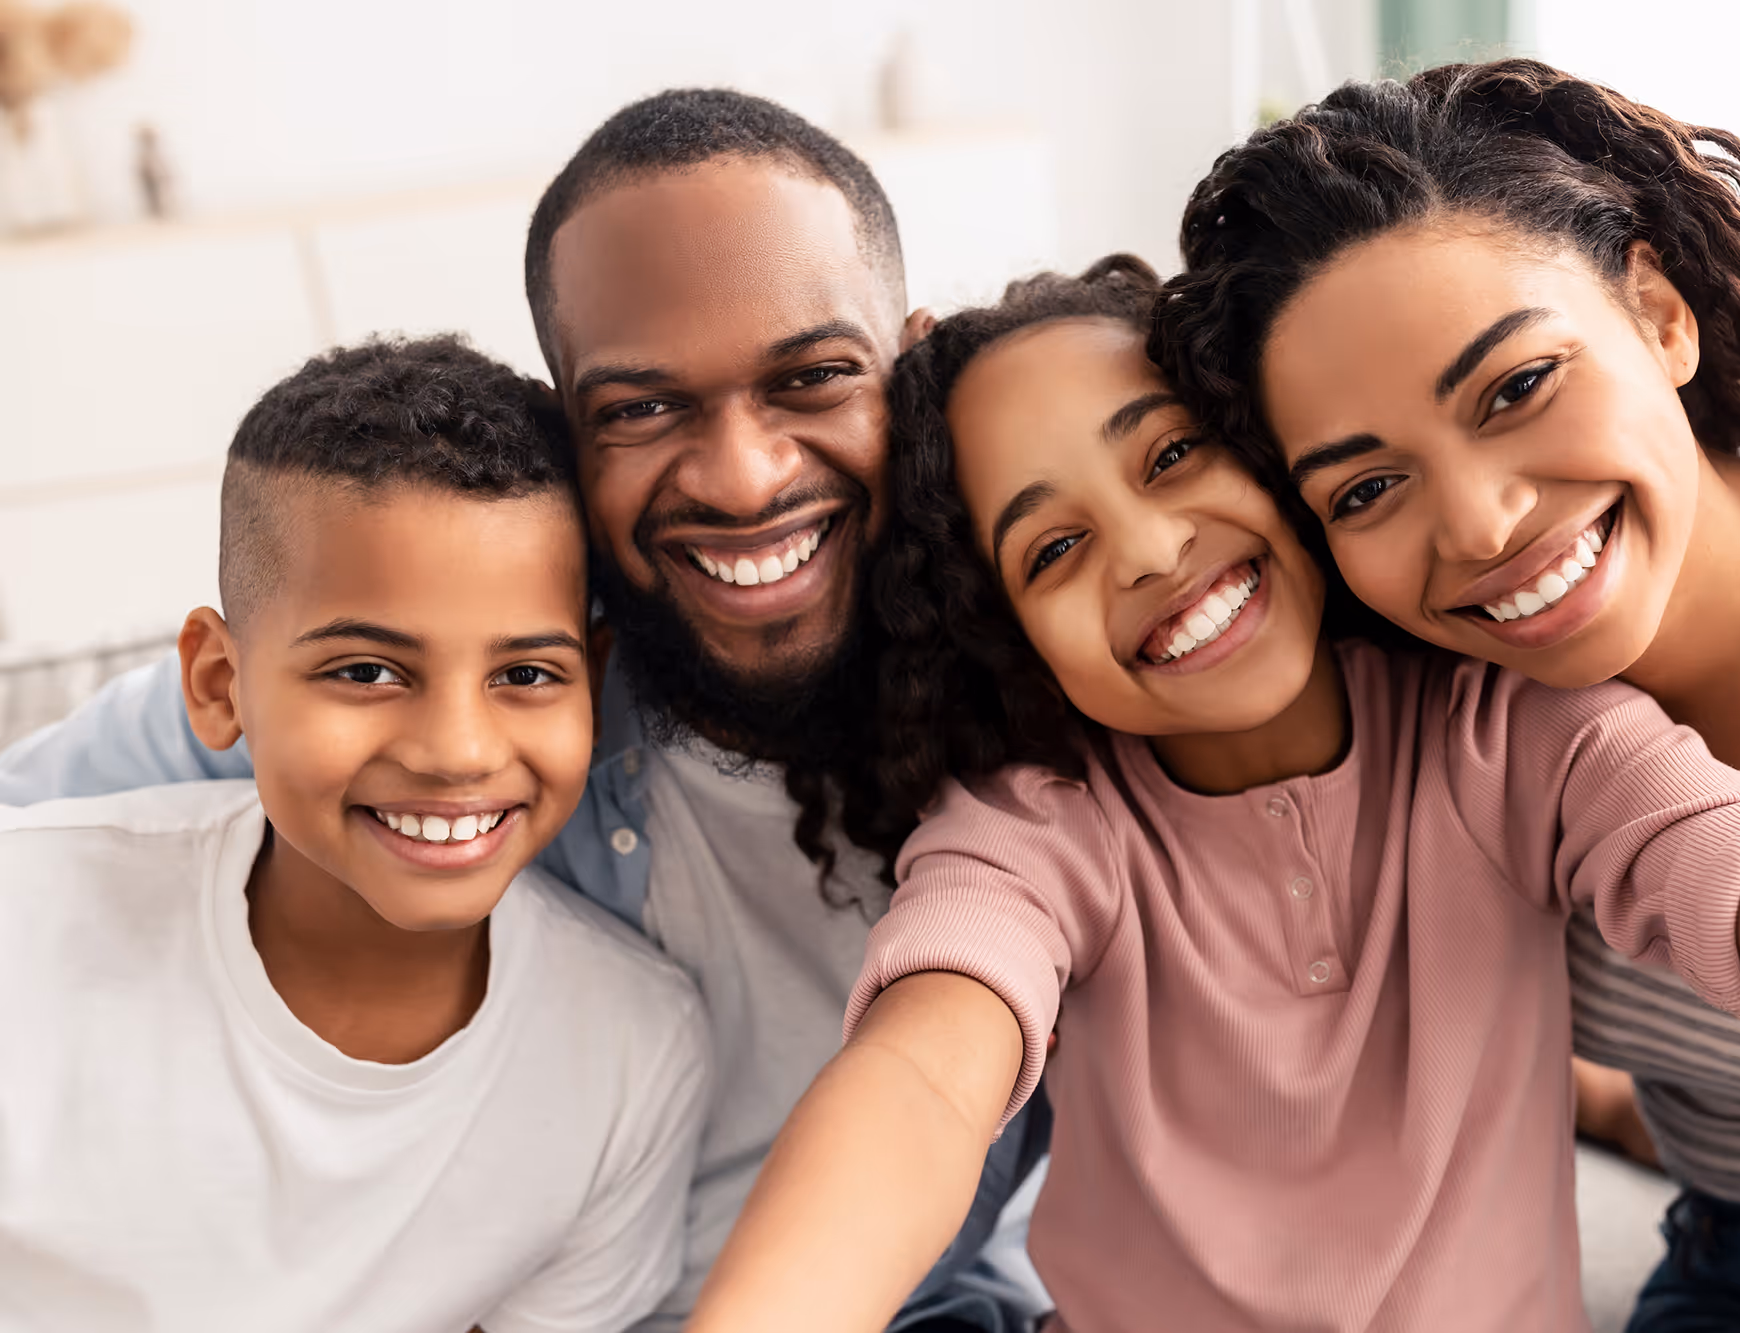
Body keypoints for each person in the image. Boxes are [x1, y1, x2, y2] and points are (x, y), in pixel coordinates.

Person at [680, 258, 1740, 1333]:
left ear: (1282, 462)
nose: (1150, 552)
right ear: (1008, 631)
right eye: (1056, 547)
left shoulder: (1511, 731)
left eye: (1170, 458)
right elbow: (923, 1078)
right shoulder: (1040, 826)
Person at [0, 91, 1044, 1332]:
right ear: (568, 430)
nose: (743, 477)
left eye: (813, 377)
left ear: (908, 367)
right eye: (643, 408)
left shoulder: (1050, 696)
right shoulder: (467, 661)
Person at [1153, 57, 1740, 1332]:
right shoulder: (1450, 720)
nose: (1482, 522)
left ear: (1658, 315)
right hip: (1736, 1271)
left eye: (1514, 388)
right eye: (1365, 489)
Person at [0, 336, 710, 1332]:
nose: (458, 751)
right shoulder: (25, 926)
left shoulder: (634, 1050)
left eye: (525, 674)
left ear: (591, 679)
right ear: (217, 683)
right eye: (367, 672)